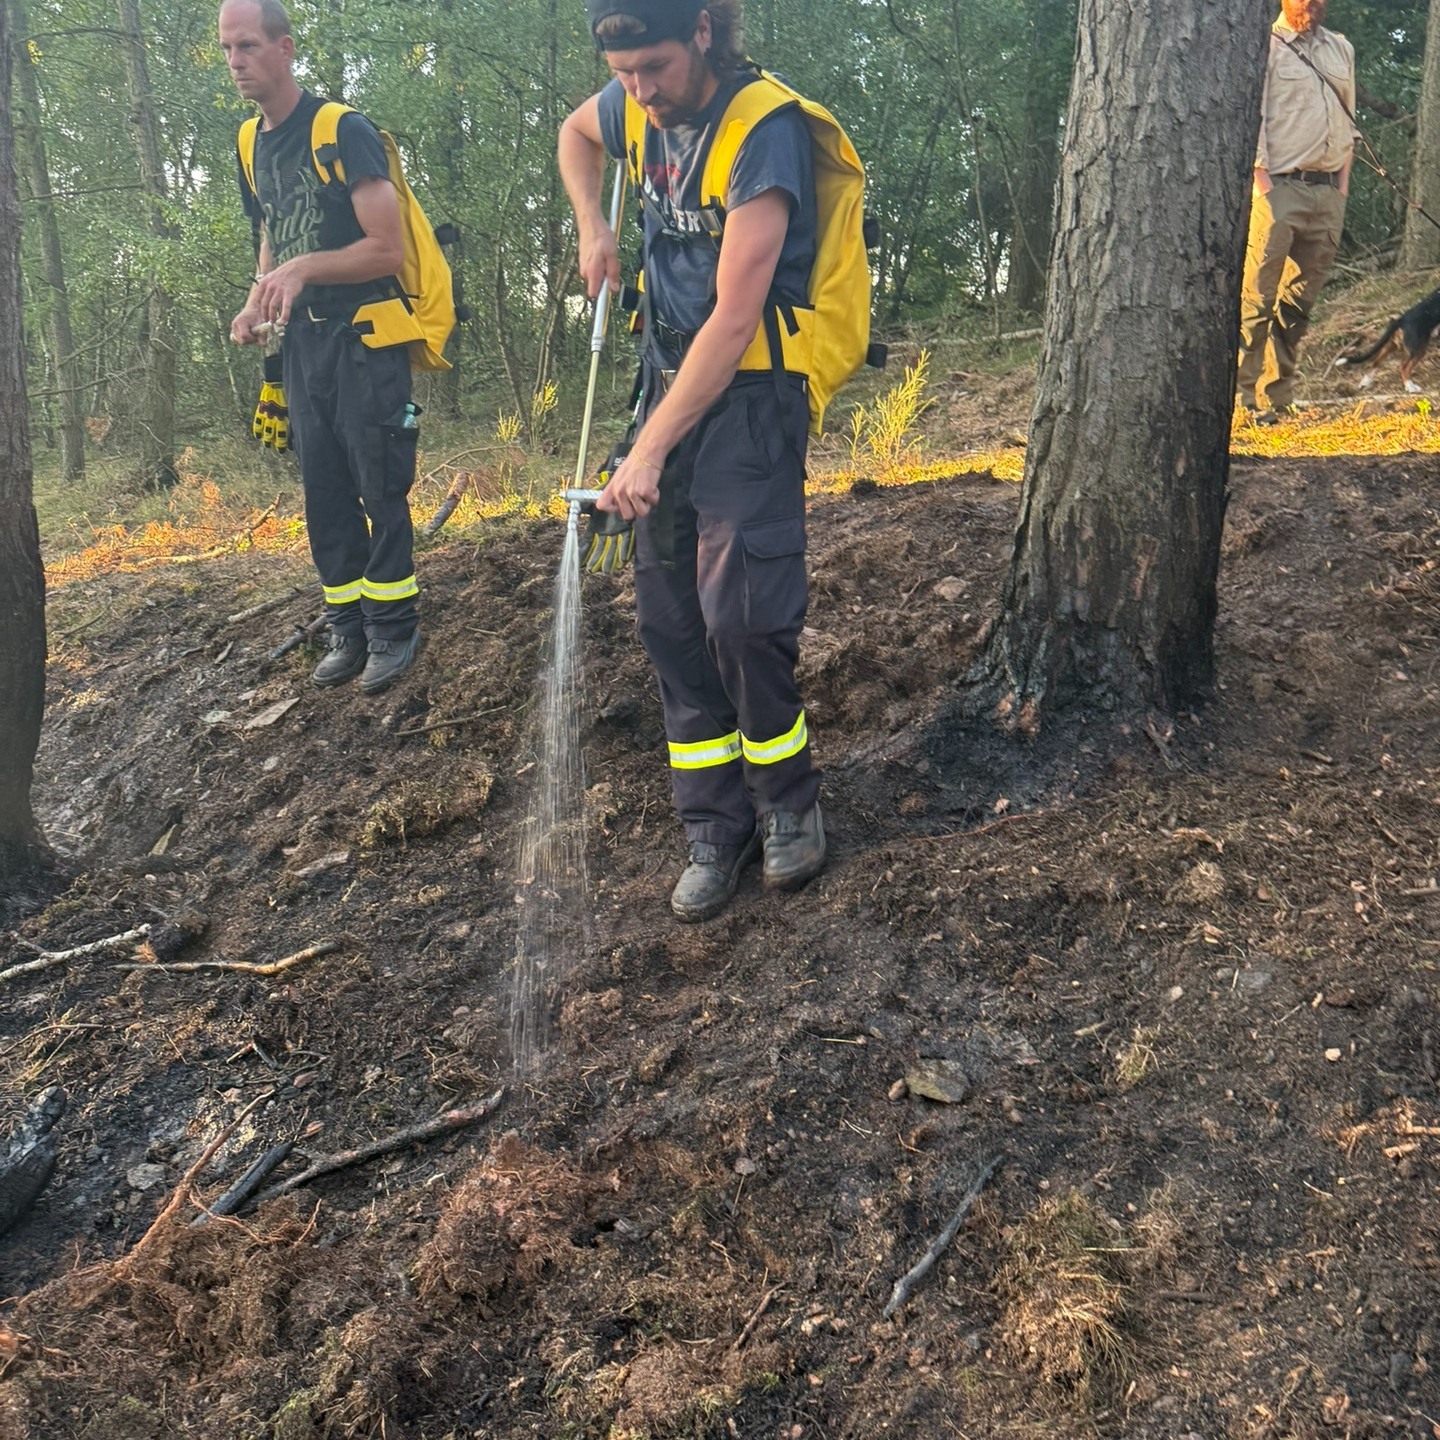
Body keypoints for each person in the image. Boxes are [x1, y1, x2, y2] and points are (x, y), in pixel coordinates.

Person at [559, 0, 826, 922]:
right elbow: (574, 134)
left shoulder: (765, 131)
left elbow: (736, 315)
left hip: (749, 394)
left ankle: (789, 806)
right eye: (625, 72)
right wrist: (594, 225)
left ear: (706, 30)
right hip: (660, 385)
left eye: (656, 68)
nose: (639, 92)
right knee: (671, 620)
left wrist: (649, 449)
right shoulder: (634, 103)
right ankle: (715, 827)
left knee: (741, 613)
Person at [220, 0, 421, 693]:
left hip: (367, 336)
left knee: (379, 483)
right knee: (324, 490)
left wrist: (303, 270)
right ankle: (349, 628)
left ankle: (395, 628)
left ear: (285, 48)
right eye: (226, 49)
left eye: (247, 46)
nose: (235, 61)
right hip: (303, 347)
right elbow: (276, 232)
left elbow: (386, 250)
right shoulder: (249, 145)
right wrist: (258, 297)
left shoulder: (343, 131)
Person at [1237, 0, 1357, 423]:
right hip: (1279, 189)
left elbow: (1349, 121)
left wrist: (1341, 186)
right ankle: (1242, 400)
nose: (1311, 1)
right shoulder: (1262, 46)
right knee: (1257, 297)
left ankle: (1279, 396)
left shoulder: (1342, 49)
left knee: (1298, 302)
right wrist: (1264, 184)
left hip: (1327, 195)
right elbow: (1252, 118)